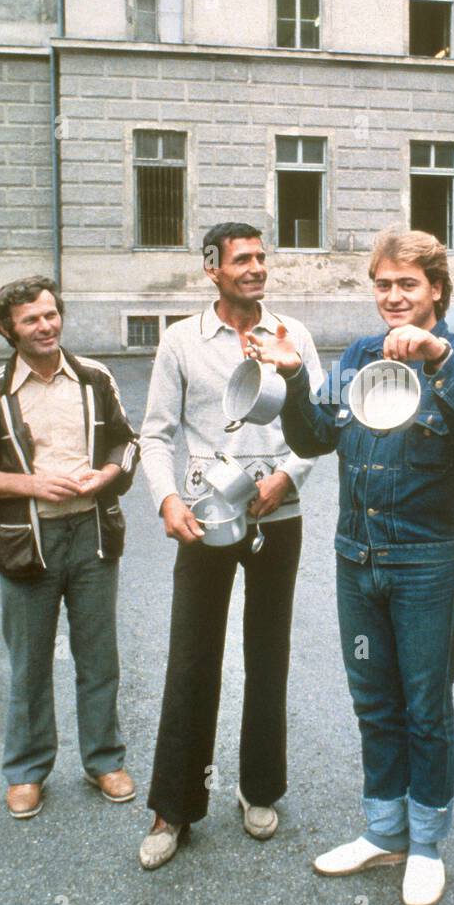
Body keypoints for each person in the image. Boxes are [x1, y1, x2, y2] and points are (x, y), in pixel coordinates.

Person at [254, 229, 454, 905]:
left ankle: (426, 845)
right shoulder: (362, 354)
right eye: (382, 283)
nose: (392, 296)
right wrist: (292, 377)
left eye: (407, 284)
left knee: (425, 707)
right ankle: (383, 832)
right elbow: (313, 437)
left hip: (426, 564)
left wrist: (439, 361)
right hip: (355, 560)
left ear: (435, 289)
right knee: (374, 702)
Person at [137, 222, 323, 870]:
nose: (256, 268)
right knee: (192, 657)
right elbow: (156, 435)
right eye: (242, 259)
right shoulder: (181, 342)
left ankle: (259, 789)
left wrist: (286, 475)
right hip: (205, 517)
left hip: (278, 512)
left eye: (261, 257)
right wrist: (165, 500)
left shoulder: (291, 335)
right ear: (211, 268)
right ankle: (174, 808)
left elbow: (319, 421)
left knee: (268, 654)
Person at [0, 276, 140, 819]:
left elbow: (128, 443)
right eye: (31, 319)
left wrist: (106, 474)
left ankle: (104, 760)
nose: (46, 326)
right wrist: (29, 484)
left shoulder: (94, 378)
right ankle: (27, 771)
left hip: (93, 535)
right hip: (27, 543)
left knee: (98, 658)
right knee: (29, 663)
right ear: (8, 329)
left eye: (51, 314)